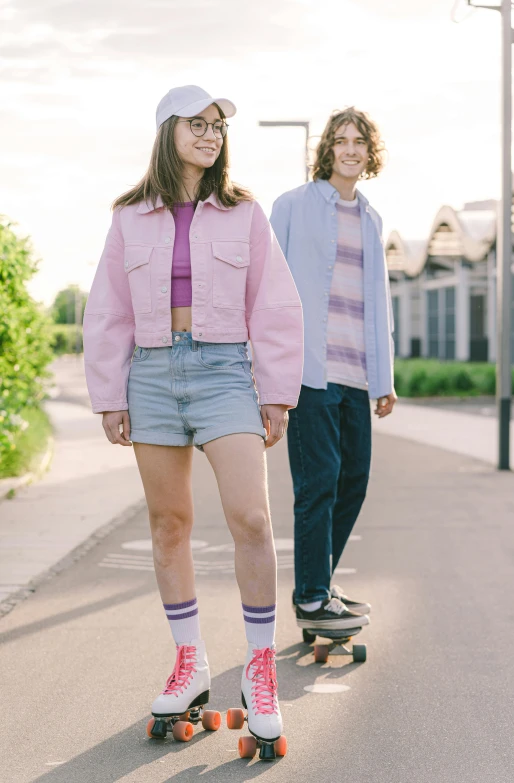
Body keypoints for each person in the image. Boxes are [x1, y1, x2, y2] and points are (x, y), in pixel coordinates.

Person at [83, 85, 303, 746]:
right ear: (166, 132)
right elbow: (108, 309)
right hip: (149, 375)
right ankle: (190, 660)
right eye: (197, 124)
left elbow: (274, 303)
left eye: (217, 126)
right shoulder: (128, 217)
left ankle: (259, 669)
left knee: (253, 518)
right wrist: (109, 393)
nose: (211, 135)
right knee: (168, 522)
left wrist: (276, 388)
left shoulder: (244, 212)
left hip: (225, 371)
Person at [270, 107, 396, 635]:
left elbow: (378, 302)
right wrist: (266, 370)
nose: (349, 149)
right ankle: (313, 597)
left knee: (354, 481)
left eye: (359, 142)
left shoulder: (371, 218)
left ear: (370, 153)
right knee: (319, 482)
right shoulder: (293, 206)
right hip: (309, 371)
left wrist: (384, 379)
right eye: (340, 140)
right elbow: (266, 286)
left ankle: (318, 584)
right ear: (327, 150)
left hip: (356, 373)